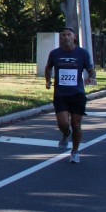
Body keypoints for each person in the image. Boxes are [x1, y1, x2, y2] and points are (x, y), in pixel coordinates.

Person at [44, 26, 96, 163]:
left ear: (74, 37)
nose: (66, 37)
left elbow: (91, 70)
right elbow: (48, 67)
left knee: (76, 124)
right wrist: (48, 81)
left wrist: (92, 77)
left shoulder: (82, 53)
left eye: (68, 35)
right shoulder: (55, 53)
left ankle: (75, 151)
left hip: (77, 94)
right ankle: (66, 133)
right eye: (63, 35)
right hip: (60, 94)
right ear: (60, 38)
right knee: (63, 124)